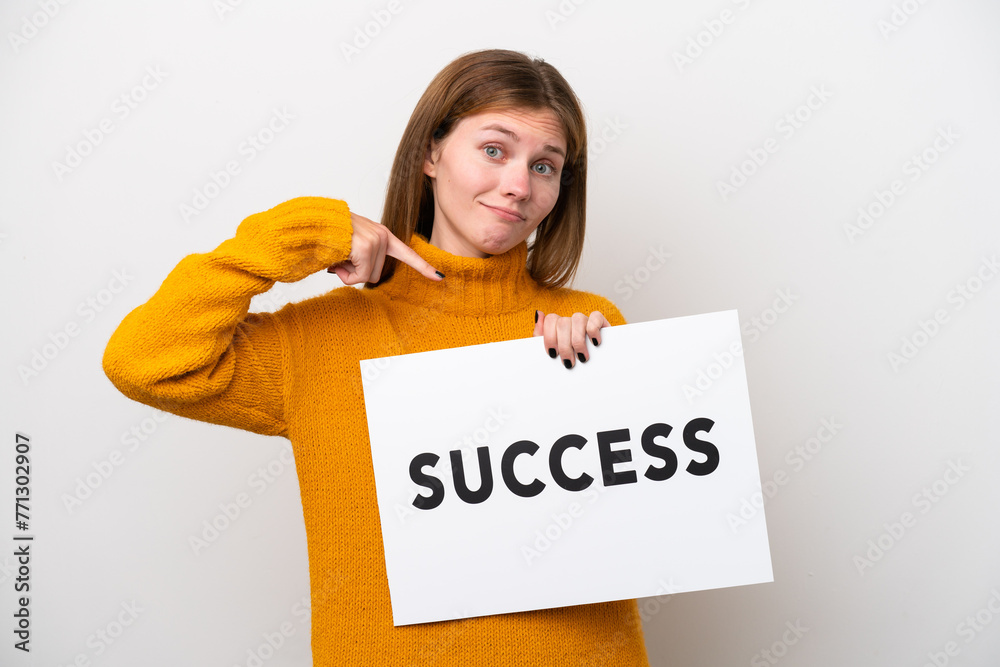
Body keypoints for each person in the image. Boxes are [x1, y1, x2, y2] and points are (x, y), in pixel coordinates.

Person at [103, 48, 650, 666]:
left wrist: (598, 379)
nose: (519, 186)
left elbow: (640, 535)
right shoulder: (317, 340)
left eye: (545, 166)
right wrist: (305, 233)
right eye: (494, 150)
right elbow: (143, 360)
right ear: (430, 152)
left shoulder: (591, 325)